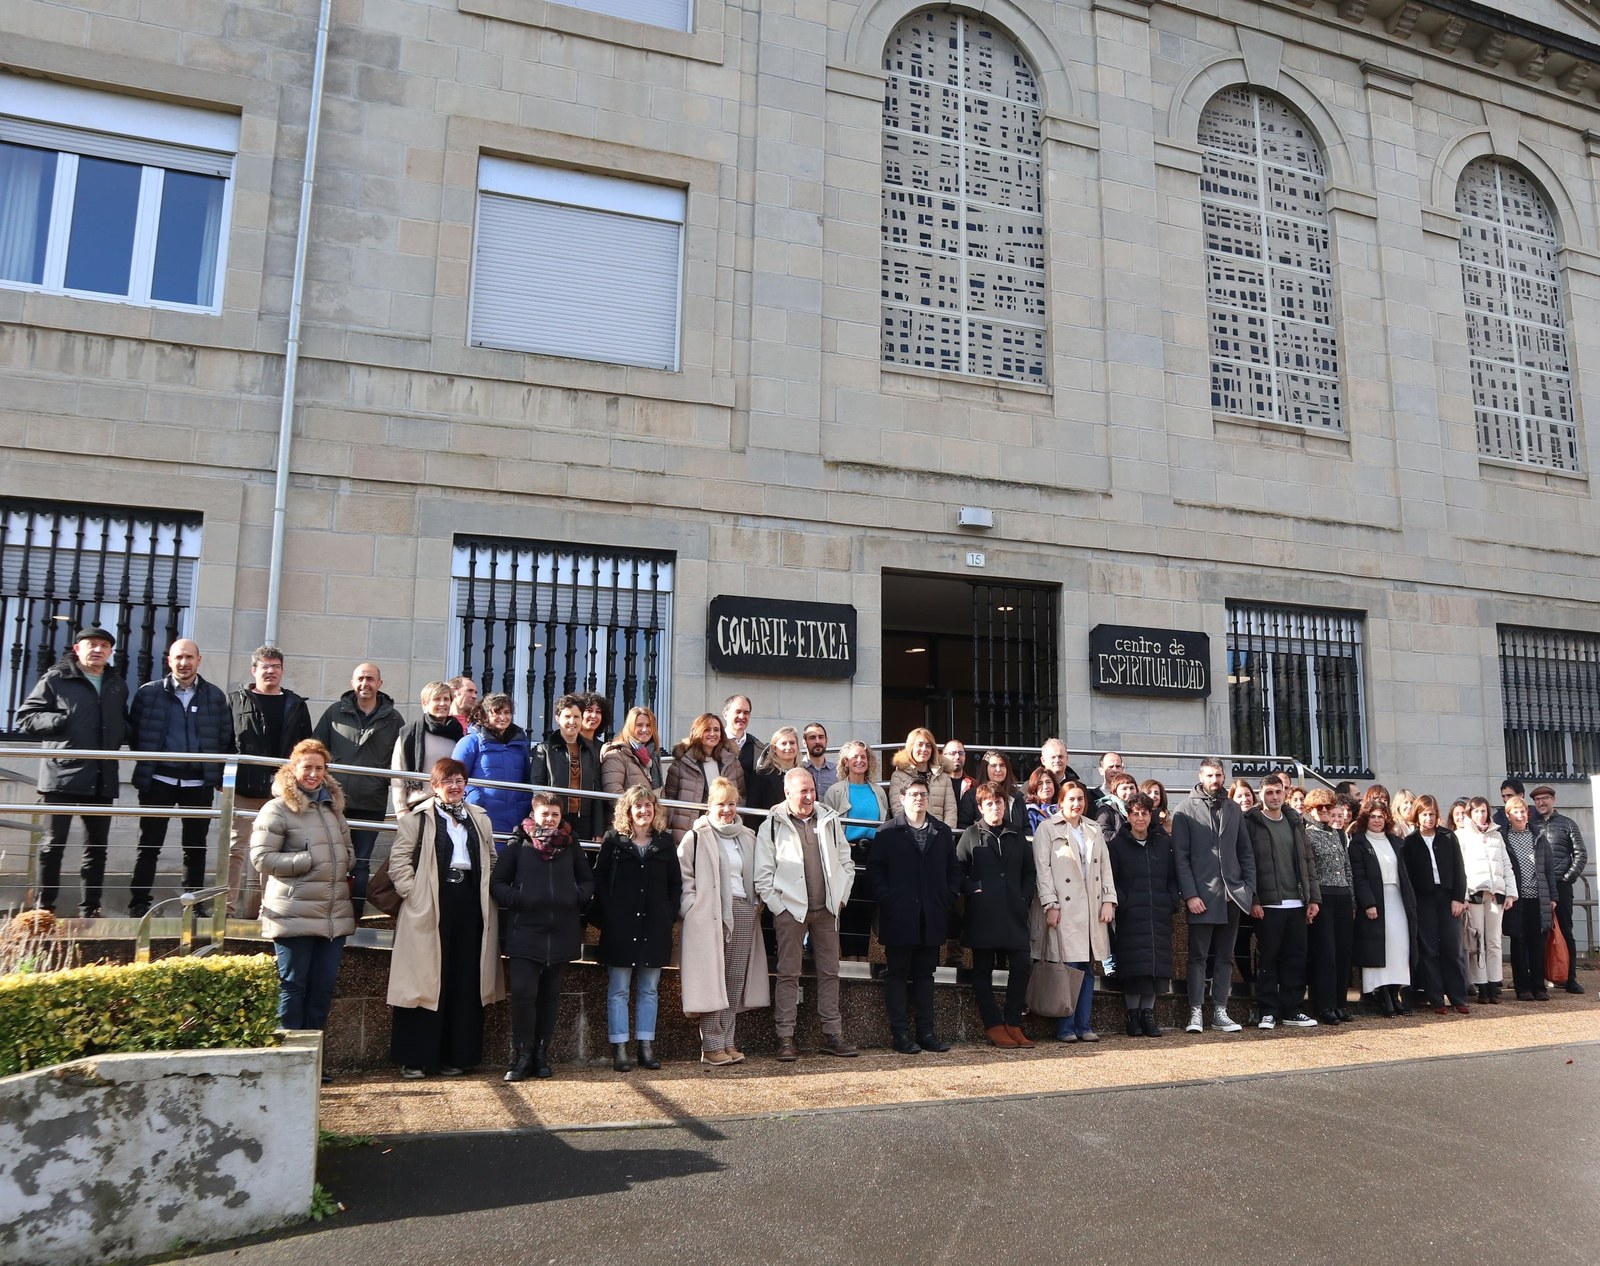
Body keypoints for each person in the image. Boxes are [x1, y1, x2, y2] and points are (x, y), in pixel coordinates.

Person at [387, 757, 502, 1078]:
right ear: (434, 786)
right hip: (430, 902)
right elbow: (398, 862)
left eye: (459, 781)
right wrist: (415, 894)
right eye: (447, 781)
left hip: (470, 902)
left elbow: (491, 858)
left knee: (464, 977)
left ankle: (457, 1056)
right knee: (425, 979)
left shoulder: (479, 819)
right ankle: (416, 1058)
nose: (454, 786)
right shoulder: (418, 819)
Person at [250, 739, 354, 1071]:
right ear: (293, 769)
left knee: (321, 992)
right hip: (293, 914)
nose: (312, 774)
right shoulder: (277, 808)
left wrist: (346, 860)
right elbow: (261, 858)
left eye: (319, 768)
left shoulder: (332, 807)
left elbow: (347, 850)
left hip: (332, 916)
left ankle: (313, 1064)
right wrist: (304, 860)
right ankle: (288, 1065)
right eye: (306, 767)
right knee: (293, 988)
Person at [17, 626, 130, 917]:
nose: (98, 650)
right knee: (52, 846)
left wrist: (121, 732)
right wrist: (61, 721)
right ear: (77, 649)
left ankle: (90, 909)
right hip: (61, 775)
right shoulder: (56, 678)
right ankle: (45, 910)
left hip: (102, 776)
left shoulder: (116, 683)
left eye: (104, 646)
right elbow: (26, 717)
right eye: (91, 644)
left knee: (97, 848)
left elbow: (123, 721)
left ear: (110, 652)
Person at [754, 767, 857, 1060]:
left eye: (812, 789)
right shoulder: (771, 825)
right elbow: (762, 876)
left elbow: (846, 863)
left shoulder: (829, 819)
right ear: (788, 793)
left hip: (827, 911)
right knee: (788, 974)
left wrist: (841, 899)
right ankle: (785, 1038)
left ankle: (832, 1035)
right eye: (803, 791)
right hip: (791, 912)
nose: (809, 796)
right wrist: (780, 908)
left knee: (830, 973)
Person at [492, 791, 594, 1080]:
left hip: (561, 931)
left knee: (550, 998)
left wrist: (576, 896)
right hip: (526, 932)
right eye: (545, 814)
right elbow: (498, 882)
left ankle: (540, 1055)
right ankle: (521, 1056)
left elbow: (587, 879)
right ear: (534, 815)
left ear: (561, 817)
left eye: (555, 814)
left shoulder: (571, 846)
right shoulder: (518, 844)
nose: (550, 819)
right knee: (524, 996)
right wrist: (519, 898)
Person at [127, 638, 232, 917]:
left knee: (196, 847)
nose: (184, 663)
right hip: (158, 779)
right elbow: (136, 733)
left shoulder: (214, 696)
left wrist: (216, 774)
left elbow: (224, 737)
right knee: (149, 845)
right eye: (178, 658)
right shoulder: (148, 693)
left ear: (199, 660)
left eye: (189, 657)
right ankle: (138, 905)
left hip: (198, 783)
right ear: (169, 661)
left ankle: (195, 905)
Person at [678, 777, 771, 1066]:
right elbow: (684, 877)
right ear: (710, 805)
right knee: (712, 980)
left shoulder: (747, 836)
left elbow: (757, 873)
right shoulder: (696, 836)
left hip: (743, 911)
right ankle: (711, 1045)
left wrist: (757, 903)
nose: (727, 810)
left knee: (733, 981)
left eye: (731, 803)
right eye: (721, 804)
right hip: (708, 914)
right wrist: (691, 908)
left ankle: (728, 1041)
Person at [591, 786, 682, 1072]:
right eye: (638, 806)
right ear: (628, 811)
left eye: (648, 805)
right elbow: (600, 879)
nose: (644, 811)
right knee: (618, 989)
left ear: (655, 810)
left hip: (654, 926)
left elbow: (674, 885)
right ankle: (620, 1047)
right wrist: (609, 913)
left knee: (649, 989)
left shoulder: (665, 843)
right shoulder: (613, 841)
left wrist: (667, 915)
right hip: (620, 926)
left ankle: (646, 1045)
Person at [868, 778, 960, 1053]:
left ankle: (926, 1033)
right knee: (896, 974)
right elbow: (875, 871)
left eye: (923, 794)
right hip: (899, 915)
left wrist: (948, 896)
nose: (919, 798)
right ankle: (900, 1035)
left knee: (925, 976)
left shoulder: (941, 832)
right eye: (914, 794)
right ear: (903, 797)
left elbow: (953, 870)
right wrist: (888, 899)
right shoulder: (887, 832)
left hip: (931, 915)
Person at [226, 646, 314, 917]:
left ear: (282, 671)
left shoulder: (296, 704)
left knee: (274, 852)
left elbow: (305, 747)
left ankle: (270, 908)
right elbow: (225, 741)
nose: (271, 671)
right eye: (265, 666)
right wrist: (223, 780)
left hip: (281, 792)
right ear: (254, 670)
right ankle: (226, 908)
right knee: (235, 849)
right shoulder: (235, 701)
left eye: (275, 666)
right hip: (243, 788)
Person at [313, 663, 405, 917]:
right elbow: (315, 749)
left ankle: (355, 915)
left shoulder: (393, 718)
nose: (365, 684)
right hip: (334, 801)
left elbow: (401, 759)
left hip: (371, 802)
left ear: (380, 684)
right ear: (353, 682)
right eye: (361, 679)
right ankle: (328, 911)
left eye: (371, 679)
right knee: (332, 859)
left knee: (361, 862)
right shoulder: (334, 713)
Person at [1172, 758, 1254, 1034]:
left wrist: (1247, 888)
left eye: (1219, 774)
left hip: (1232, 895)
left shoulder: (1233, 808)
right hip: (1202, 897)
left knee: (1224, 957)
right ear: (1200, 776)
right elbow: (1180, 858)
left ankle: (1221, 1010)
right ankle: (1195, 1011)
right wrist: (1190, 895)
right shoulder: (1184, 810)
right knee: (1197, 957)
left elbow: (1245, 852)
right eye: (1210, 775)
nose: (1215, 779)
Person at [1032, 781, 1117, 1044]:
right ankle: (1065, 1025)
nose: (1077, 803)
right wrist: (1050, 904)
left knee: (1088, 967)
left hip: (1092, 906)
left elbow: (1105, 867)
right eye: (1071, 799)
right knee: (1067, 965)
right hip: (1064, 906)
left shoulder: (1093, 828)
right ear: (1061, 802)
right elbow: (1042, 870)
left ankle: (1084, 1023)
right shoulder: (1047, 828)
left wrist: (1108, 901)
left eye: (1080, 798)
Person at [957, 781, 1037, 1047]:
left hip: (1014, 912)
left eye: (999, 802)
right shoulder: (970, 834)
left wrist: (1024, 896)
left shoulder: (1017, 834)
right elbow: (958, 870)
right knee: (983, 970)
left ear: (1006, 805)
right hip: (983, 913)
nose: (995, 807)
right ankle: (993, 1025)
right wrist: (973, 889)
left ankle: (1013, 1022)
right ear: (980, 807)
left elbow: (1029, 871)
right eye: (989, 803)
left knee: (1022, 965)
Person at [1241, 774, 1321, 1029]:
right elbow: (1247, 862)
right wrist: (1253, 899)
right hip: (1267, 904)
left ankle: (1293, 1009)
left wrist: (1313, 898)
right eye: (1269, 793)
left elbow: (1307, 861)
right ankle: (1268, 1010)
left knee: (1295, 958)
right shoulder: (1250, 822)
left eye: (1278, 792)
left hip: (1296, 902)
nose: (1274, 797)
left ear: (1284, 793)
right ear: (1260, 794)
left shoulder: (1294, 821)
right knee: (1268, 959)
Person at [1106, 792, 1179, 1037]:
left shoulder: (1163, 842)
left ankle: (1148, 1014)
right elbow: (1112, 879)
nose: (1140, 818)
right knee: (1134, 968)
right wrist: (1123, 903)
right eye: (1135, 813)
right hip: (1131, 914)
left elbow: (1172, 877)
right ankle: (1132, 1015)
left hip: (1158, 912)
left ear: (1151, 815)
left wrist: (1170, 901)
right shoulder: (1117, 844)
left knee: (1155, 968)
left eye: (1144, 813)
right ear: (1128, 815)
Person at [1349, 800, 1417, 1017]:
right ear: (1365, 819)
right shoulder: (1359, 843)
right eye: (1373, 816)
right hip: (1375, 900)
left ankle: (1395, 990)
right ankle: (1382, 993)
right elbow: (1358, 877)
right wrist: (1368, 903)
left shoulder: (1396, 842)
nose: (1377, 820)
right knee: (1379, 945)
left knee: (1399, 945)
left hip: (1397, 897)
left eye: (1380, 816)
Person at [1403, 795, 1470, 1015]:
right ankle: (1436, 998)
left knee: (1452, 947)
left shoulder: (1448, 837)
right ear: (1417, 816)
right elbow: (1410, 876)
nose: (1429, 819)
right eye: (1424, 814)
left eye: (1432, 814)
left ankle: (1458, 996)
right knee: (1429, 949)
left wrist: (1459, 898)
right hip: (1424, 900)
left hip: (1448, 896)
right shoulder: (1411, 843)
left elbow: (1459, 868)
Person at [823, 740, 888, 960]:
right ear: (845, 762)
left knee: (867, 906)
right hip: (847, 852)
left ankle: (863, 956)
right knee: (849, 905)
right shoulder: (836, 790)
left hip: (873, 853)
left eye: (863, 756)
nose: (860, 761)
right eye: (855, 757)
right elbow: (828, 825)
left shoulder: (878, 791)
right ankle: (849, 956)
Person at [1301, 788, 1355, 1024]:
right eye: (1319, 808)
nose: (1324, 811)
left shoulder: (1338, 834)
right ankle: (1324, 1005)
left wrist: (1352, 900)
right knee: (1326, 954)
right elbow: (1306, 871)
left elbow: (1347, 869)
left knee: (1343, 953)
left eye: (1327, 807)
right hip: (1322, 897)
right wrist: (1309, 900)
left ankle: (1340, 1003)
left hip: (1342, 896)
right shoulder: (1307, 835)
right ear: (1310, 810)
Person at [1457, 795, 1516, 1003]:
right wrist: (1462, 896)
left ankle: (1493, 983)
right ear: (1470, 814)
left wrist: (1510, 892)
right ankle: (1481, 985)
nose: (1481, 815)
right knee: (1477, 940)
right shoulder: (1462, 836)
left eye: (1483, 811)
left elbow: (1506, 865)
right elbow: (1459, 869)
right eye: (1476, 811)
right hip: (1474, 894)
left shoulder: (1496, 836)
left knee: (1494, 941)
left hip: (1495, 894)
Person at [451, 692, 532, 841]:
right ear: (485, 714)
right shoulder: (470, 741)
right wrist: (474, 797)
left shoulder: (520, 744)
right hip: (482, 814)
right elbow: (455, 777)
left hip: (516, 816)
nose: (503, 717)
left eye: (507, 712)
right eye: (497, 712)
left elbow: (527, 778)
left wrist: (525, 800)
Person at [1501, 794, 1558, 1002]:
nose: (1520, 815)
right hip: (1516, 898)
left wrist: (1553, 896)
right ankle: (1522, 987)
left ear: (1528, 813)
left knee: (1537, 943)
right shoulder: (1503, 838)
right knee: (1518, 942)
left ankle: (1539, 986)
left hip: (1538, 897)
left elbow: (1549, 869)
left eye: (1523, 811)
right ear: (1508, 816)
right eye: (1515, 811)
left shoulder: (1538, 835)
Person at [1531, 785, 1587, 994]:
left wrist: (1566, 879)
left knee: (1565, 930)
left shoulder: (1567, 824)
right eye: (1537, 800)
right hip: (1537, 887)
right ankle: (1540, 978)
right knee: (1538, 934)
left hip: (1561, 885)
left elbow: (1581, 854)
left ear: (1553, 799)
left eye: (1544, 798)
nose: (1541, 803)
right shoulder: (1532, 825)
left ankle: (1570, 978)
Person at [530, 693, 604, 839]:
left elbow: (597, 792)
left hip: (585, 822)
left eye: (576, 716)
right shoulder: (545, 749)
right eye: (567, 716)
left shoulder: (590, 751)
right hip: (556, 819)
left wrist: (598, 830)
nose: (572, 721)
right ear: (557, 719)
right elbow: (537, 788)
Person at [390, 681, 464, 816]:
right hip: (419, 806)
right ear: (425, 704)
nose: (442, 703)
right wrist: (401, 809)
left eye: (446, 699)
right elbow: (398, 774)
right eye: (437, 699)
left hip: (452, 807)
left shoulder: (458, 734)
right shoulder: (409, 733)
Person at [662, 712, 744, 833]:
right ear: (698, 732)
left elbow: (741, 796)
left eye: (716, 730)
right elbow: (669, 797)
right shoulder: (682, 763)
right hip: (689, 830)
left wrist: (737, 819)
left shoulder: (732, 763)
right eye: (707, 730)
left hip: (723, 829)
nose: (712, 734)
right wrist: (674, 821)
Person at [888, 728, 957, 828]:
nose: (924, 749)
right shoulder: (898, 775)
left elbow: (951, 809)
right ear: (911, 747)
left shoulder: (944, 777)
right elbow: (898, 808)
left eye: (928, 745)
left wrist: (946, 835)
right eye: (919, 745)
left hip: (939, 835)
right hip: (908, 836)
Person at [957, 750, 1027, 833]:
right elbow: (964, 826)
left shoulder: (1016, 796)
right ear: (985, 768)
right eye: (993, 766)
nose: (998, 769)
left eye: (1002, 765)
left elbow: (1026, 826)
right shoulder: (972, 796)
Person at [599, 706, 664, 795]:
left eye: (648, 725)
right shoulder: (616, 753)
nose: (645, 729)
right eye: (639, 725)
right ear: (630, 727)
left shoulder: (653, 755)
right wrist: (636, 808)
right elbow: (613, 792)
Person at [747, 725, 802, 814]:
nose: (789, 747)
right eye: (783, 743)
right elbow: (752, 815)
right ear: (774, 748)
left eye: (792, 743)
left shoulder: (806, 775)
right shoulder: (760, 776)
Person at [722, 694, 765, 784]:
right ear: (725, 714)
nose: (742, 716)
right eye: (737, 711)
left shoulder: (758, 748)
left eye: (746, 713)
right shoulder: (715, 743)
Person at [1094, 770, 1138, 840]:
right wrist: (1127, 836)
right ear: (1115, 792)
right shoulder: (1106, 809)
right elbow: (1102, 834)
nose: (1129, 792)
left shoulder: (1141, 809)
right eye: (1124, 788)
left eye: (1132, 788)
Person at [801, 723, 838, 799]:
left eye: (821, 737)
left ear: (826, 741)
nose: (817, 741)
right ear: (804, 742)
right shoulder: (798, 769)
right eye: (812, 738)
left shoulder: (837, 771)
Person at [1024, 767, 1061, 834]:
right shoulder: (1030, 812)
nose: (1045, 787)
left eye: (1048, 782)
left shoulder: (1063, 808)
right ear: (1034, 788)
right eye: (1040, 784)